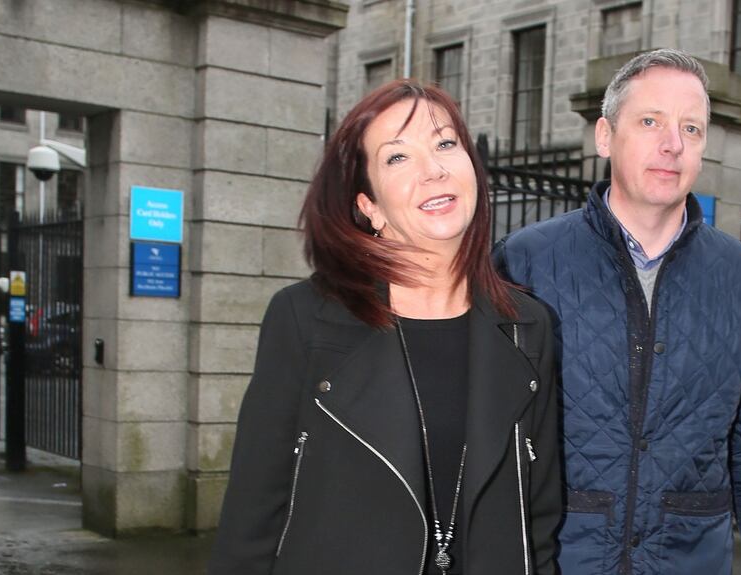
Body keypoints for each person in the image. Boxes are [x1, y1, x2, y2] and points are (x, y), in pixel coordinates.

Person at [208, 80, 561, 575]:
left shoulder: (528, 326)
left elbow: (538, 522)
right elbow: (252, 519)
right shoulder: (305, 319)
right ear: (368, 205)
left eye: (445, 144)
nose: (434, 170)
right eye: (398, 158)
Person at [494, 49, 741, 574]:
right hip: (561, 560)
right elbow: (488, 433)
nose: (673, 144)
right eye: (650, 121)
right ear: (605, 136)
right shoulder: (526, 260)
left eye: (692, 128)